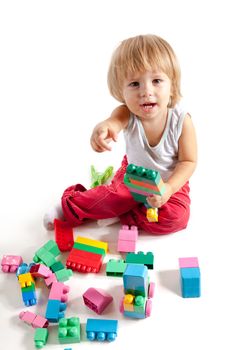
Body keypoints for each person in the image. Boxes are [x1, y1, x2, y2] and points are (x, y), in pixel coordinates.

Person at [44, 34, 197, 235]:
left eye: (157, 80)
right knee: (111, 197)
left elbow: (188, 162)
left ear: (172, 85)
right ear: (121, 90)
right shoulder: (127, 112)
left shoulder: (181, 121)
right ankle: (69, 206)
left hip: (170, 183)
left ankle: (122, 213)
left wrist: (168, 188)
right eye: (135, 84)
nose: (146, 91)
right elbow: (114, 122)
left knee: (175, 218)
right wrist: (105, 129)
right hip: (133, 177)